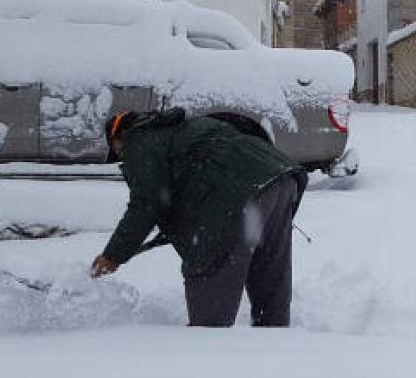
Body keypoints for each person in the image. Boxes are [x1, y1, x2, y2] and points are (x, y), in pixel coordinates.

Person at [91, 109, 307, 327]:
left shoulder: (139, 141)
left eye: (117, 151)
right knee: (268, 271)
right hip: (279, 179)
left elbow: (147, 203)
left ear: (118, 137)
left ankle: (206, 347)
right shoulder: (182, 130)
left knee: (210, 268)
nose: (121, 156)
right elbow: (187, 186)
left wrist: (113, 255)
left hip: (238, 194)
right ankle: (275, 342)